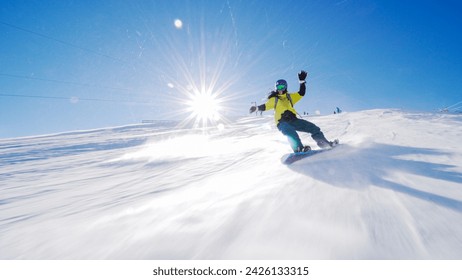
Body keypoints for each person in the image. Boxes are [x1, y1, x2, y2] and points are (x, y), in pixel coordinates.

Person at [249, 70, 337, 153]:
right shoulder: (274, 99)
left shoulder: (290, 97)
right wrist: (256, 108)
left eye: (282, 86)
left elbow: (301, 93)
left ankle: (325, 144)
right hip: (282, 122)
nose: (281, 89)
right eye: (279, 87)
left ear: (286, 87)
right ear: (276, 88)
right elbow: (265, 106)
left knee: (313, 128)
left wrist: (302, 82)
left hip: (294, 120)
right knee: (290, 132)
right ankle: (299, 149)